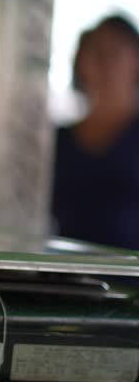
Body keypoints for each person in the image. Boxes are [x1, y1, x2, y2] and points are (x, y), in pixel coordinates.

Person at [52, 15, 139, 249]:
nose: (106, 64)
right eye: (96, 52)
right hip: (71, 276)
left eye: (116, 53)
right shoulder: (59, 140)